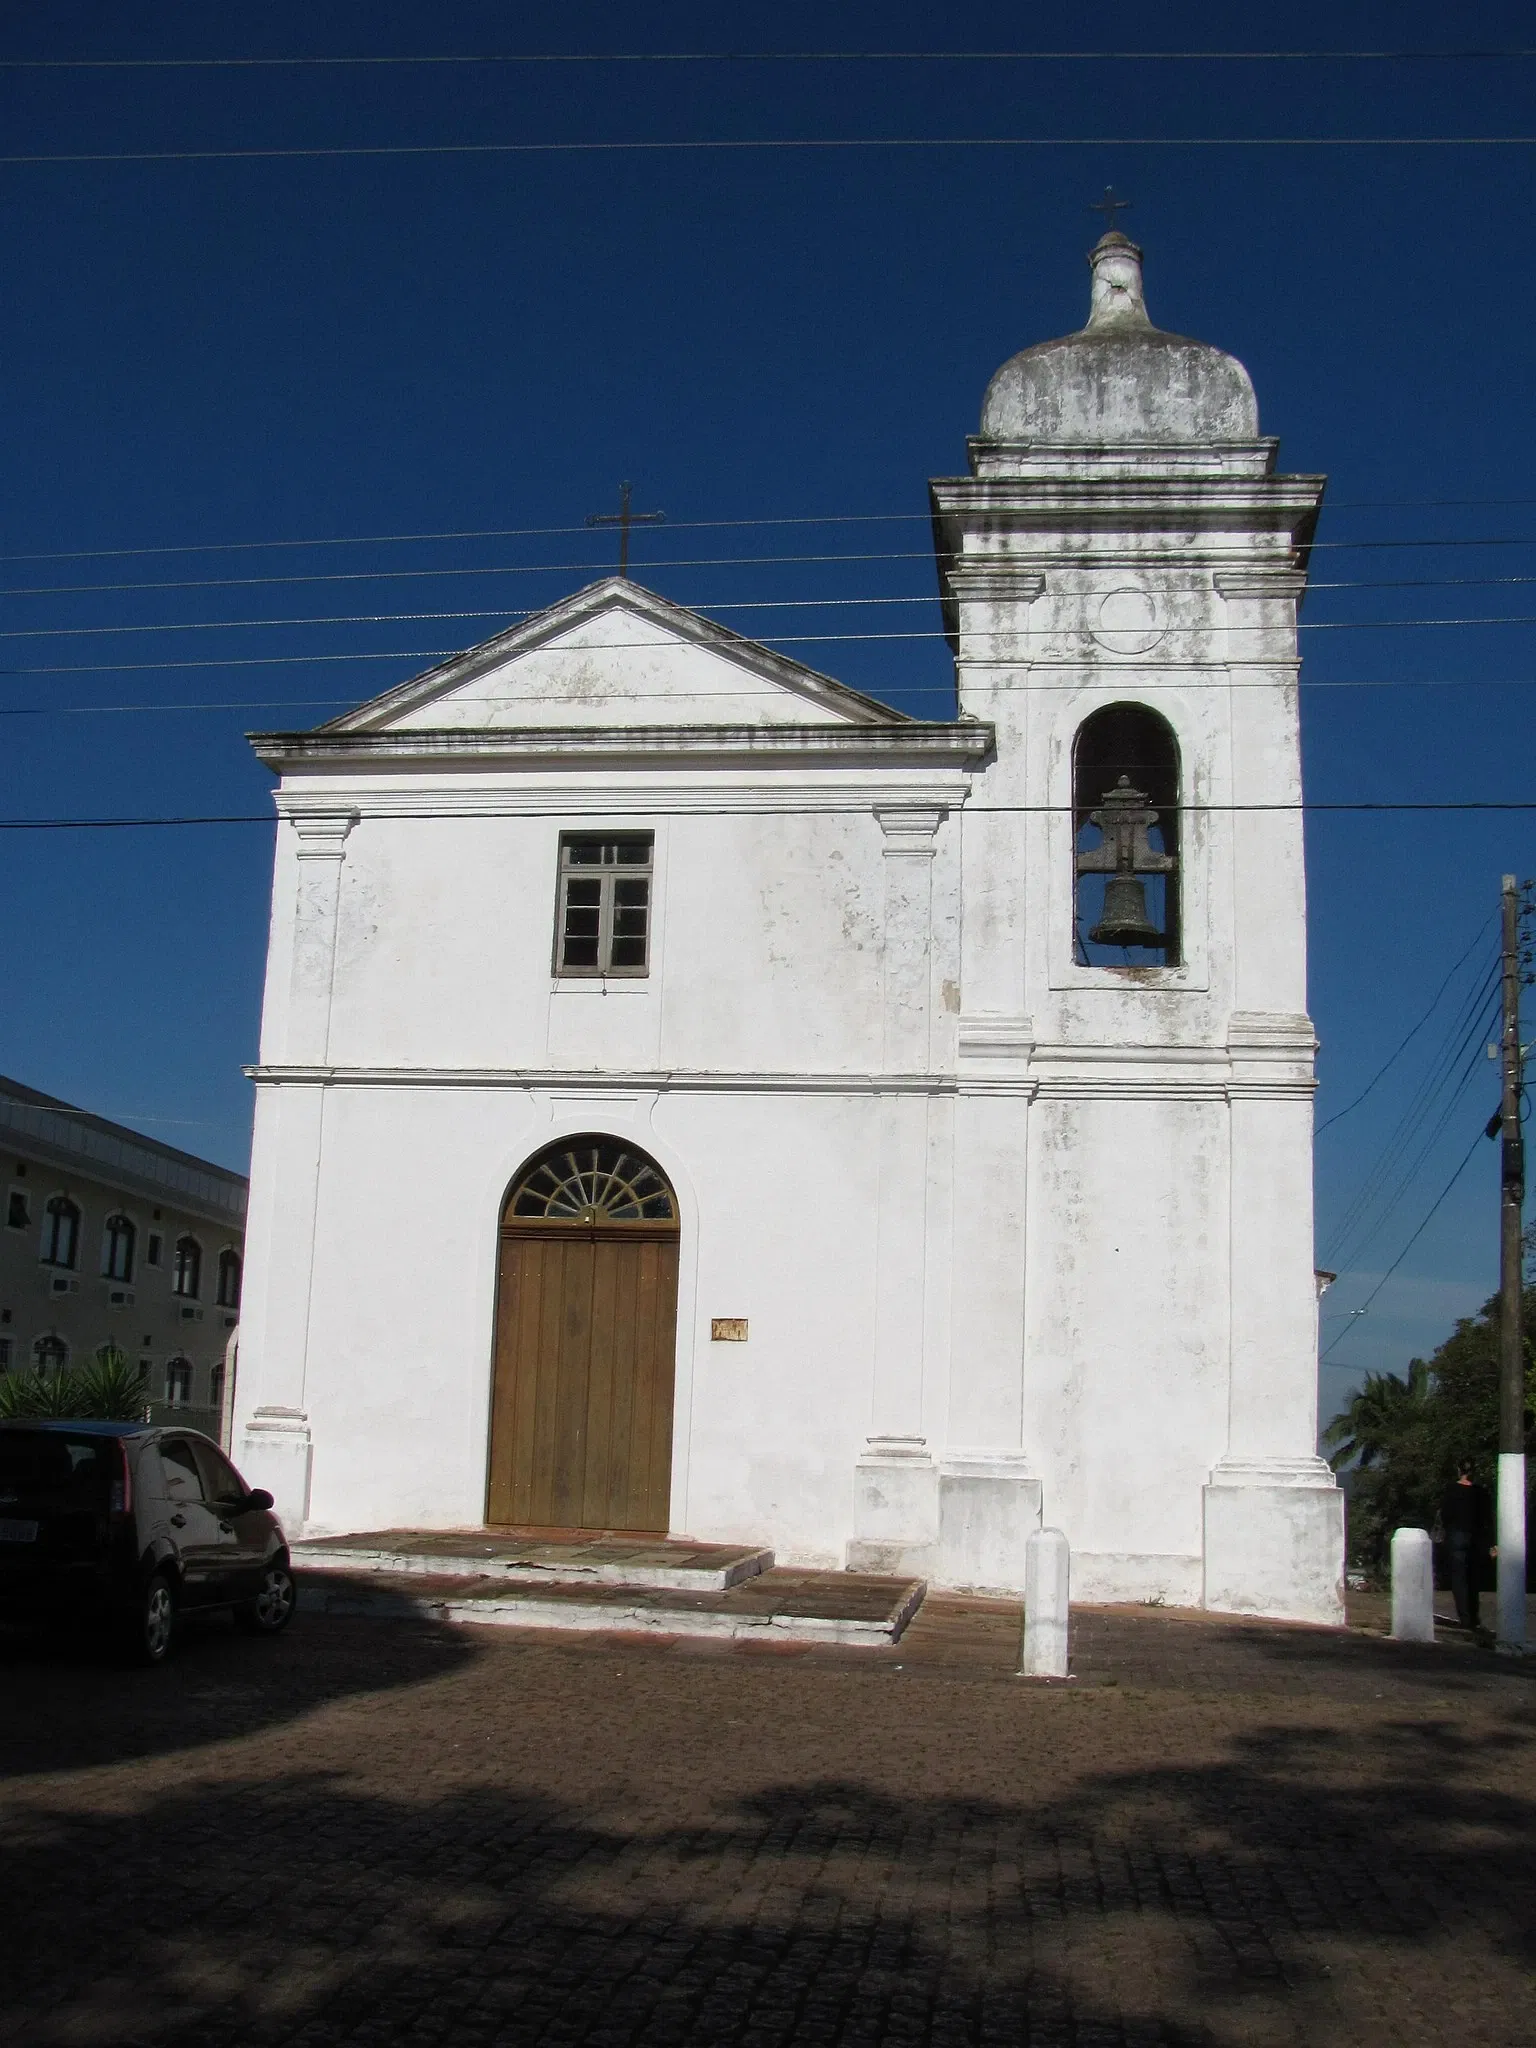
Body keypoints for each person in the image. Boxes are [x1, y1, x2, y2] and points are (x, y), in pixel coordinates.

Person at [1438, 1461, 1496, 1631]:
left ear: (1459, 1470)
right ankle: (1474, 1616)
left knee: (1459, 1579)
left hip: (1456, 1537)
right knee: (1473, 1578)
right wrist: (1492, 1543)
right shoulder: (1481, 1492)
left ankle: (1464, 1617)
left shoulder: (1451, 1490)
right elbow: (1487, 1519)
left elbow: (1445, 1515)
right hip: (1476, 1539)